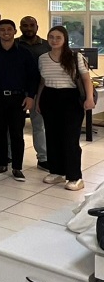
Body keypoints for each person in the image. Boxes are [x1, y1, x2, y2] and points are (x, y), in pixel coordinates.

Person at [37, 26, 94, 191]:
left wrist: (89, 98)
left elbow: (86, 79)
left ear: (65, 39)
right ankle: (57, 172)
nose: (54, 40)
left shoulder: (75, 57)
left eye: (58, 37)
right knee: (52, 137)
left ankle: (75, 177)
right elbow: (42, 82)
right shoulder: (42, 58)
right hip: (49, 97)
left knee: (70, 139)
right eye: (51, 37)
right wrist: (39, 101)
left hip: (70, 99)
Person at [0, 19, 39, 181]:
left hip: (18, 98)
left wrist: (30, 96)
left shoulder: (24, 52)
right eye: (2, 30)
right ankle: (2, 163)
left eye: (9, 29)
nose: (5, 32)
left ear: (15, 31)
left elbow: (33, 77)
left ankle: (17, 167)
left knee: (17, 134)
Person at [17, 16, 51, 171]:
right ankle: (11, 156)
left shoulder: (47, 45)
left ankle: (43, 158)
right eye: (25, 25)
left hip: (40, 92)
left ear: (37, 26)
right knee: (16, 127)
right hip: (18, 92)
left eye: (31, 25)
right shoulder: (15, 44)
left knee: (39, 126)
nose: (28, 28)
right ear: (20, 27)